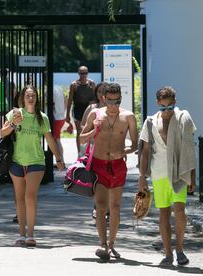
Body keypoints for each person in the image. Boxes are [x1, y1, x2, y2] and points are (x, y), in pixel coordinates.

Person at [138, 86, 196, 266]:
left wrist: (192, 176)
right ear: (157, 104)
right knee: (163, 212)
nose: (166, 111)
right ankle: (168, 253)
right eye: (163, 107)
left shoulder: (183, 118)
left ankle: (180, 250)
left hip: (179, 172)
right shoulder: (150, 122)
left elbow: (189, 149)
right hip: (159, 174)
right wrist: (142, 177)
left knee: (179, 211)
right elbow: (145, 152)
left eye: (170, 107)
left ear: (175, 103)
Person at [1, 85, 64, 247]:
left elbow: (50, 139)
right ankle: (21, 234)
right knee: (19, 198)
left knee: (30, 196)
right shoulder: (14, 114)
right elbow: (2, 133)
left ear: (36, 98)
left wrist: (58, 158)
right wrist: (13, 124)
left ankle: (30, 235)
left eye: (33, 96)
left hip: (36, 162)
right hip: (16, 162)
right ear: (23, 98)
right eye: (28, 95)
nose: (31, 98)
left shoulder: (42, 117)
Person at [80, 83, 138, 260]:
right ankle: (102, 244)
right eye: (111, 101)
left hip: (118, 165)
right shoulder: (95, 114)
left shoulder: (129, 117)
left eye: (117, 101)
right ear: (104, 99)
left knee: (115, 207)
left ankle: (112, 245)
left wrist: (124, 152)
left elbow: (135, 145)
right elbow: (82, 139)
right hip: (98, 164)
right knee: (101, 206)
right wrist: (93, 130)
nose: (114, 106)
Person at [80, 82, 108, 221]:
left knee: (109, 182)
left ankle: (106, 208)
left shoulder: (114, 109)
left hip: (111, 151)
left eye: (104, 92)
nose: (102, 95)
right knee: (97, 181)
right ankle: (98, 207)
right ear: (96, 94)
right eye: (99, 92)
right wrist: (93, 129)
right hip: (94, 151)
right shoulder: (92, 108)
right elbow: (82, 126)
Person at [66, 66, 96, 156]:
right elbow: (70, 100)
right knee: (79, 130)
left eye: (85, 73)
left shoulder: (91, 83)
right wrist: (67, 115)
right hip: (78, 109)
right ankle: (79, 152)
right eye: (82, 73)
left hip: (89, 109)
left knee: (89, 129)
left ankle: (89, 151)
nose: (84, 75)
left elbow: (95, 97)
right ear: (78, 73)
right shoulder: (74, 85)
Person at [52, 84, 66, 167]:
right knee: (57, 140)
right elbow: (65, 100)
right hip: (61, 117)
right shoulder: (59, 87)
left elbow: (50, 104)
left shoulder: (50, 90)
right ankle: (61, 161)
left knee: (56, 141)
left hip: (55, 117)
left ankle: (61, 161)